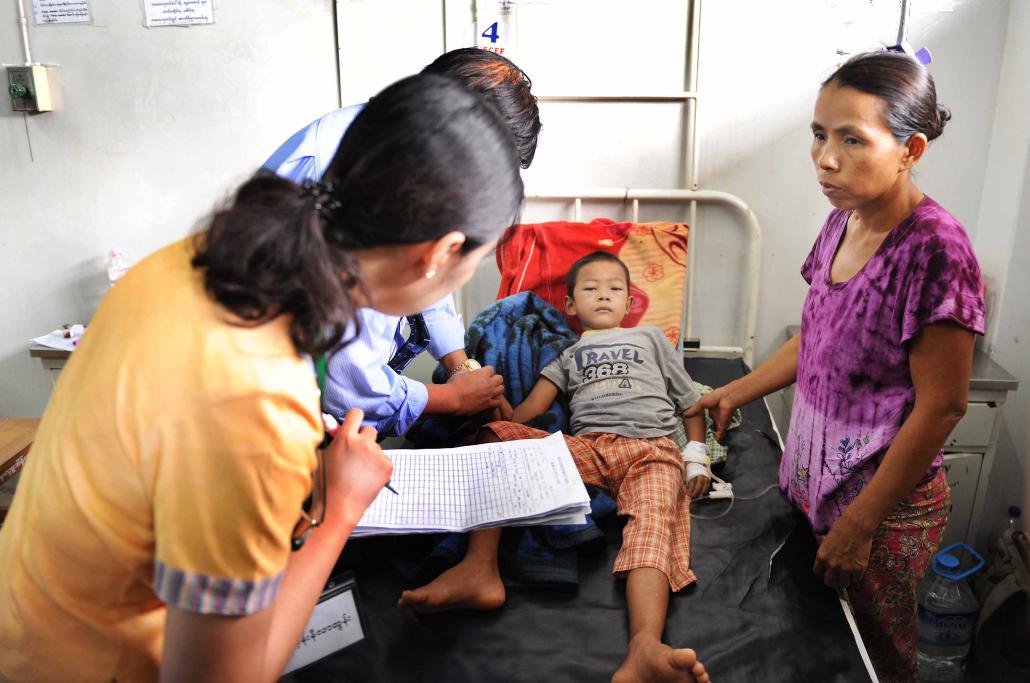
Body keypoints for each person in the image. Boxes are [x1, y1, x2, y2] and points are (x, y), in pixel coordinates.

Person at [0, 73, 524, 682]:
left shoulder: (194, 261)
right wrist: (340, 509)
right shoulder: (255, 404)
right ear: (439, 253)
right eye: (476, 261)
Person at [687, 51, 984, 682]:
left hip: (881, 511)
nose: (826, 159)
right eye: (820, 135)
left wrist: (860, 522)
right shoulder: (841, 221)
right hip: (815, 488)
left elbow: (943, 405)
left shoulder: (935, 249)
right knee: (807, 647)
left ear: (911, 150)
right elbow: (816, 337)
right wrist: (734, 392)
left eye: (853, 139)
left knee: (874, 657)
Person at [399, 251, 712, 683]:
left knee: (652, 523)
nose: (603, 294)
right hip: (588, 449)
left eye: (615, 288)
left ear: (629, 301)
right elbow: (527, 413)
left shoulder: (651, 339)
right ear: (569, 306)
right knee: (498, 440)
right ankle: (479, 568)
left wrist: (696, 454)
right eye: (590, 288)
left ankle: (645, 645)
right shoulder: (567, 355)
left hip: (650, 449)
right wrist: (493, 401)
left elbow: (692, 403)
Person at [264, 47, 543, 438]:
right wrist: (453, 399)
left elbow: (425, 275)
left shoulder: (391, 146)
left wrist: (460, 367)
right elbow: (349, 386)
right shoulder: (364, 196)